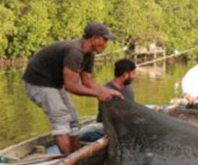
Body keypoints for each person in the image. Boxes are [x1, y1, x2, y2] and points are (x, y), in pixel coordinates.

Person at [22, 22, 123, 155]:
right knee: (61, 118)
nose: (106, 44)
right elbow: (71, 86)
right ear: (94, 38)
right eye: (104, 40)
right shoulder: (74, 51)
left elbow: (87, 81)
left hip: (55, 84)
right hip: (38, 82)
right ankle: (70, 163)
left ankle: (76, 156)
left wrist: (108, 91)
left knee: (74, 119)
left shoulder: (89, 54)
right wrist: (98, 94)